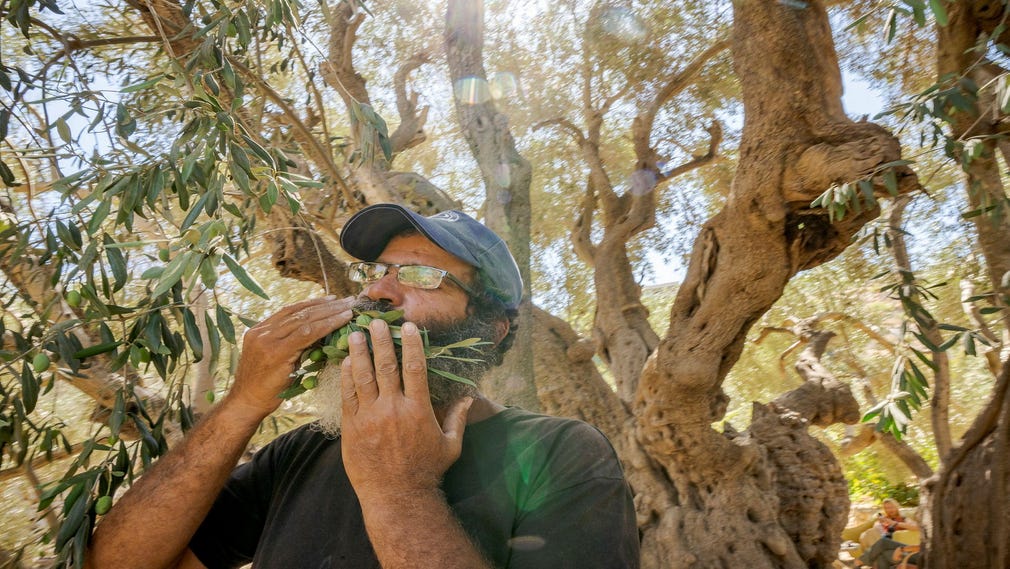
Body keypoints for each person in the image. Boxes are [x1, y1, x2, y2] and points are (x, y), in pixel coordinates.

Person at [84, 204, 640, 569]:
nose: (378, 293)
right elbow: (116, 562)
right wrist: (244, 402)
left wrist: (397, 488)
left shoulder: (559, 454)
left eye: (421, 276)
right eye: (377, 272)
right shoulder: (302, 452)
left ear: (489, 332)